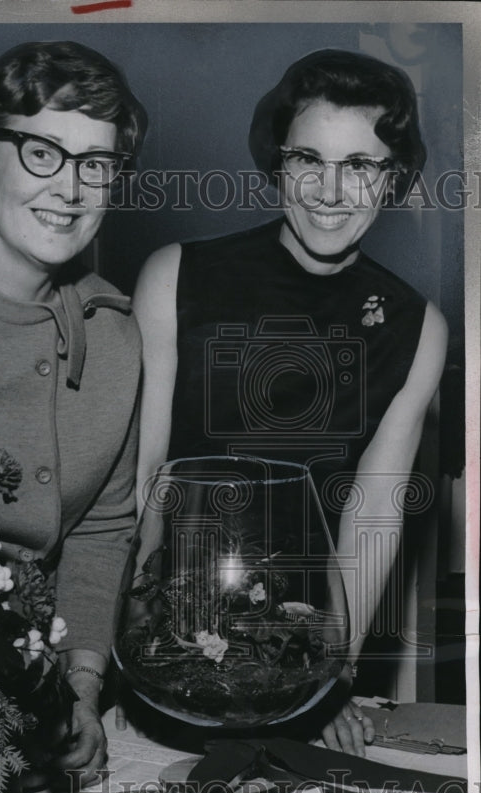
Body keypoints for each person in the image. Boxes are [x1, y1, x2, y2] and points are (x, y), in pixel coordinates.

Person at [133, 49, 448, 755]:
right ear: (278, 162)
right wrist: (133, 651)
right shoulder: (175, 277)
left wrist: (325, 678)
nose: (330, 190)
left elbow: (370, 519)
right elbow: (145, 490)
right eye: (309, 158)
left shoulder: (417, 327)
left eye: (360, 165)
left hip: (296, 646)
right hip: (168, 641)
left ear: (392, 178)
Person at [0, 40, 147, 784]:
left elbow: (102, 529)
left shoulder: (115, 334)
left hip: (35, 692)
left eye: (97, 163)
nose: (72, 188)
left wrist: (79, 693)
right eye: (42, 153)